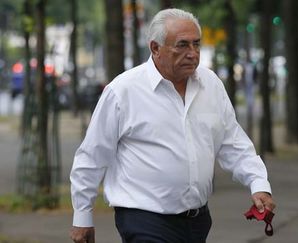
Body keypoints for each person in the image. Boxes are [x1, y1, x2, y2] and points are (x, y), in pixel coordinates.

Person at [69, 8, 275, 243]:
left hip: (197, 221)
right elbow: (92, 156)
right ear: (155, 48)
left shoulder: (211, 85)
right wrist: (82, 217)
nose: (192, 53)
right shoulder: (123, 91)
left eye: (196, 44)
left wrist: (259, 184)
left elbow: (233, 144)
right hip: (144, 220)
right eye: (182, 45)